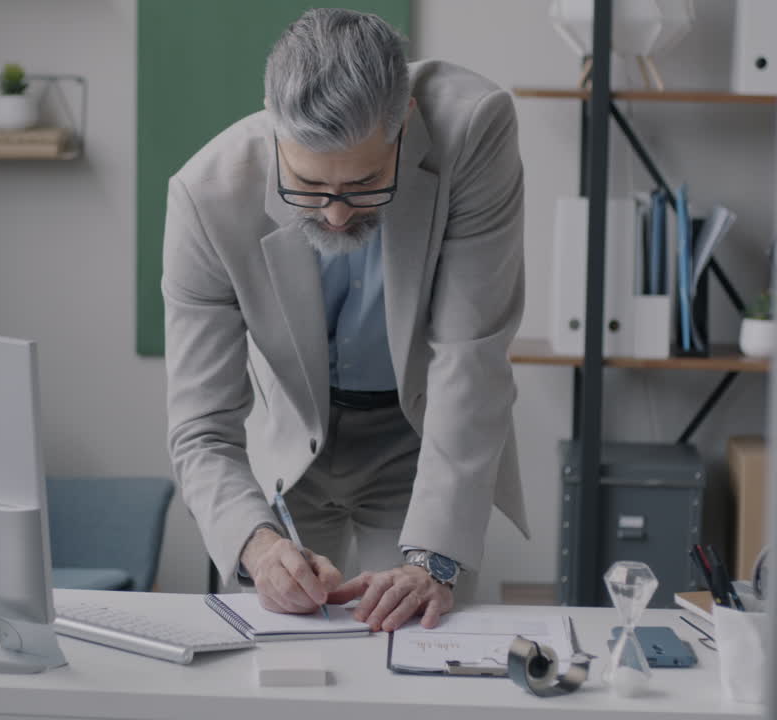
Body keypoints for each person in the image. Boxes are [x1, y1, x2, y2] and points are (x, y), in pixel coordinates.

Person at [162, 8, 529, 632]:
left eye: (363, 185)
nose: (335, 216)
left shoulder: (473, 130)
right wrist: (258, 547)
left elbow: (471, 355)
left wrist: (432, 562)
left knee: (418, 638)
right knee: (287, 644)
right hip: (288, 446)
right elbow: (202, 429)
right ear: (275, 132)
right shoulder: (206, 195)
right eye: (308, 186)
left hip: (421, 434)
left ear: (404, 125)